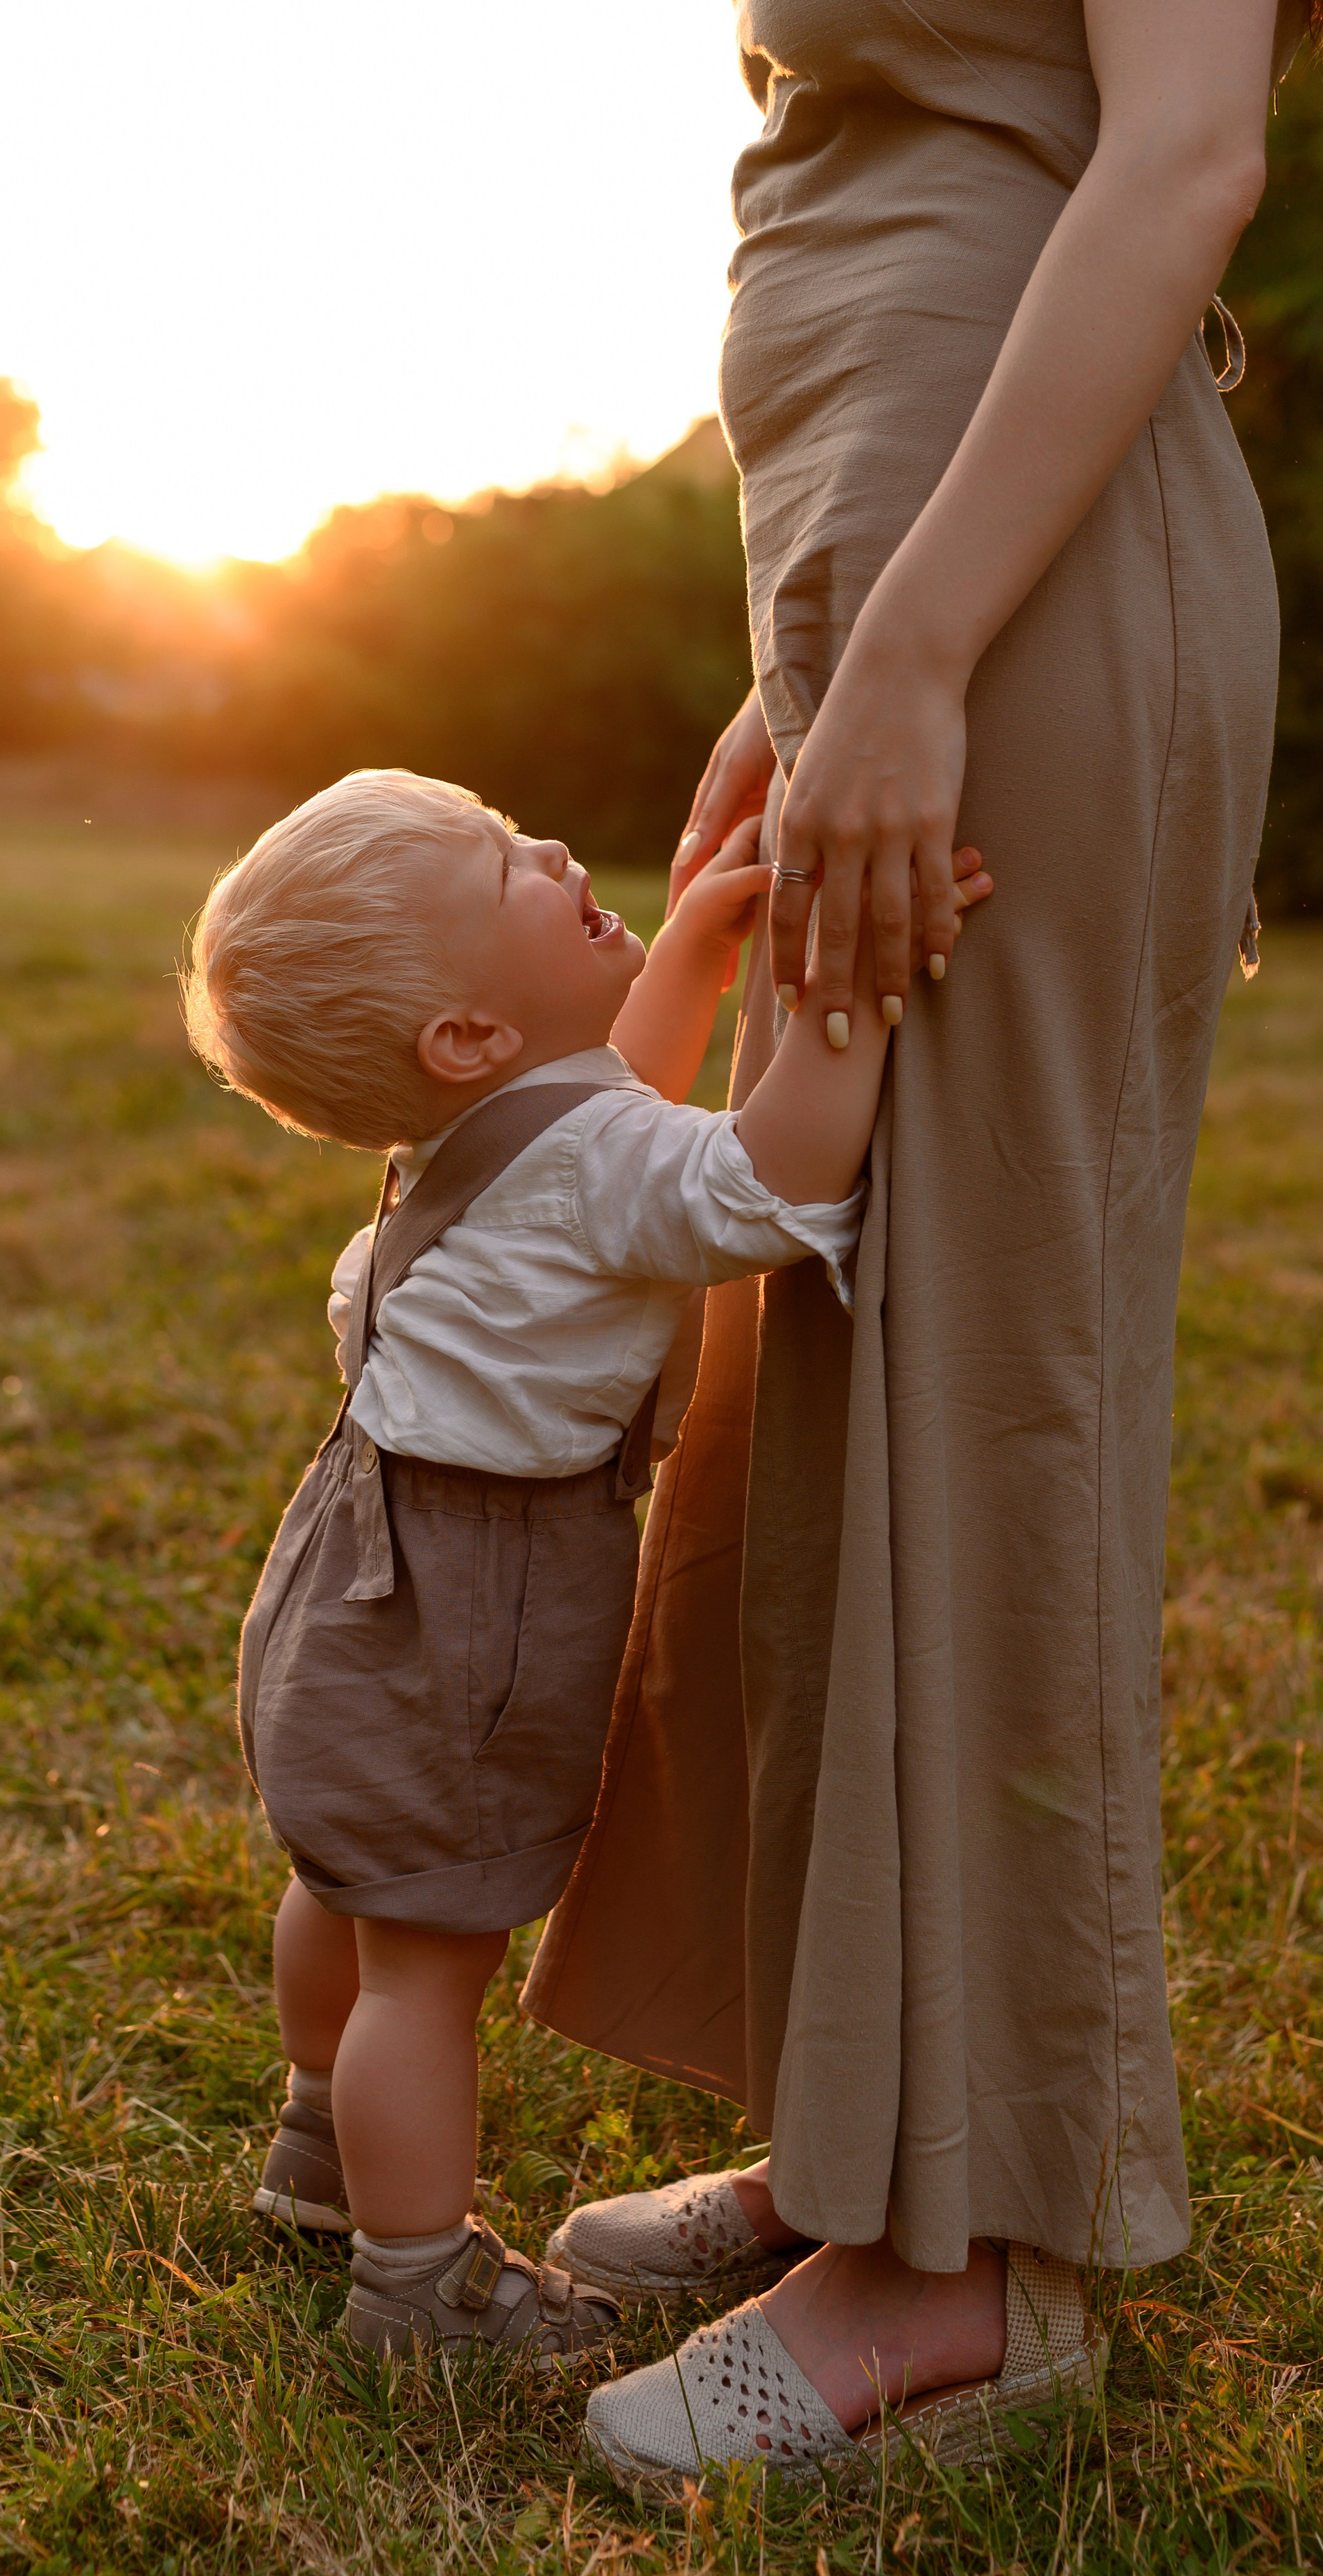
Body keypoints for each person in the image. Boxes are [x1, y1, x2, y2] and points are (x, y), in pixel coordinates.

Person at [530, 0, 1323, 2489]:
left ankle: (961, 2265)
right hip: (898, 572)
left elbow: (1180, 157)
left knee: (981, 1363)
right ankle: (871, 2132)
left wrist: (918, 654)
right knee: (838, 1335)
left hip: (1011, 605)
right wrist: (807, 661)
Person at [179, 768, 989, 2362]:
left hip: (357, 1563)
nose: (553, 847)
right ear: (466, 1036)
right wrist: (845, 993)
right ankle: (415, 2288)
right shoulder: (580, 1167)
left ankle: (322, 2151)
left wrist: (685, 950)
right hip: (473, 1598)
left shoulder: (488, 1130)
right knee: (426, 1955)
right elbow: (767, 1177)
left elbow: (607, 1106)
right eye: (507, 869)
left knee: (347, 1880)